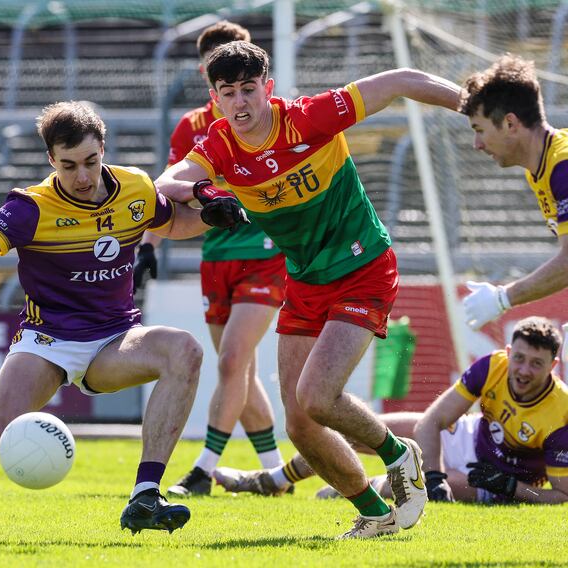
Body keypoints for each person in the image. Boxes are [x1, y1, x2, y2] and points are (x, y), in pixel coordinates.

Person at [0, 101, 244, 542]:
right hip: (47, 342)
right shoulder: (31, 208)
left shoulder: (135, 187)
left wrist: (211, 220)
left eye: (91, 162)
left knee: (185, 350)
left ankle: (145, 495)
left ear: (103, 148)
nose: (82, 177)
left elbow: (173, 223)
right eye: (69, 165)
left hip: (115, 339)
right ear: (50, 160)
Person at [155, 40, 464, 538]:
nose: (240, 103)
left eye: (248, 90)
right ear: (215, 97)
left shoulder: (308, 118)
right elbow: (167, 180)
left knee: (318, 395)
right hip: (305, 279)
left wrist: (469, 101)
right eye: (227, 92)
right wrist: (204, 193)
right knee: (299, 423)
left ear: (267, 88)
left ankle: (398, 455)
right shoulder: (218, 145)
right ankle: (375, 513)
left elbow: (402, 79)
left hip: (362, 266)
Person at [135, 21, 289, 498]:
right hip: (216, 255)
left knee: (232, 363)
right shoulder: (192, 128)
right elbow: (168, 195)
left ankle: (202, 469)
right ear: (209, 74)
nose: (238, 82)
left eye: (247, 73)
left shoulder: (271, 117)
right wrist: (147, 245)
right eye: (224, 66)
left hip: (265, 254)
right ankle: (273, 473)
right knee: (235, 370)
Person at [216, 317, 568, 505]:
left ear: (553, 365)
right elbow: (435, 420)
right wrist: (434, 476)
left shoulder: (561, 412)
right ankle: (273, 480)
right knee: (353, 431)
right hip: (465, 438)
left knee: (411, 487)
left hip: (498, 481)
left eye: (536, 364)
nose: (522, 370)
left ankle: (360, 487)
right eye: (519, 358)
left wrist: (511, 487)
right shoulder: (494, 365)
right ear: (509, 350)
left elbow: (561, 496)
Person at [461, 55, 568, 330]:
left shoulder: (563, 166)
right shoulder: (543, 169)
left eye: (479, 130)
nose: (477, 144)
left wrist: (502, 298)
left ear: (510, 124)